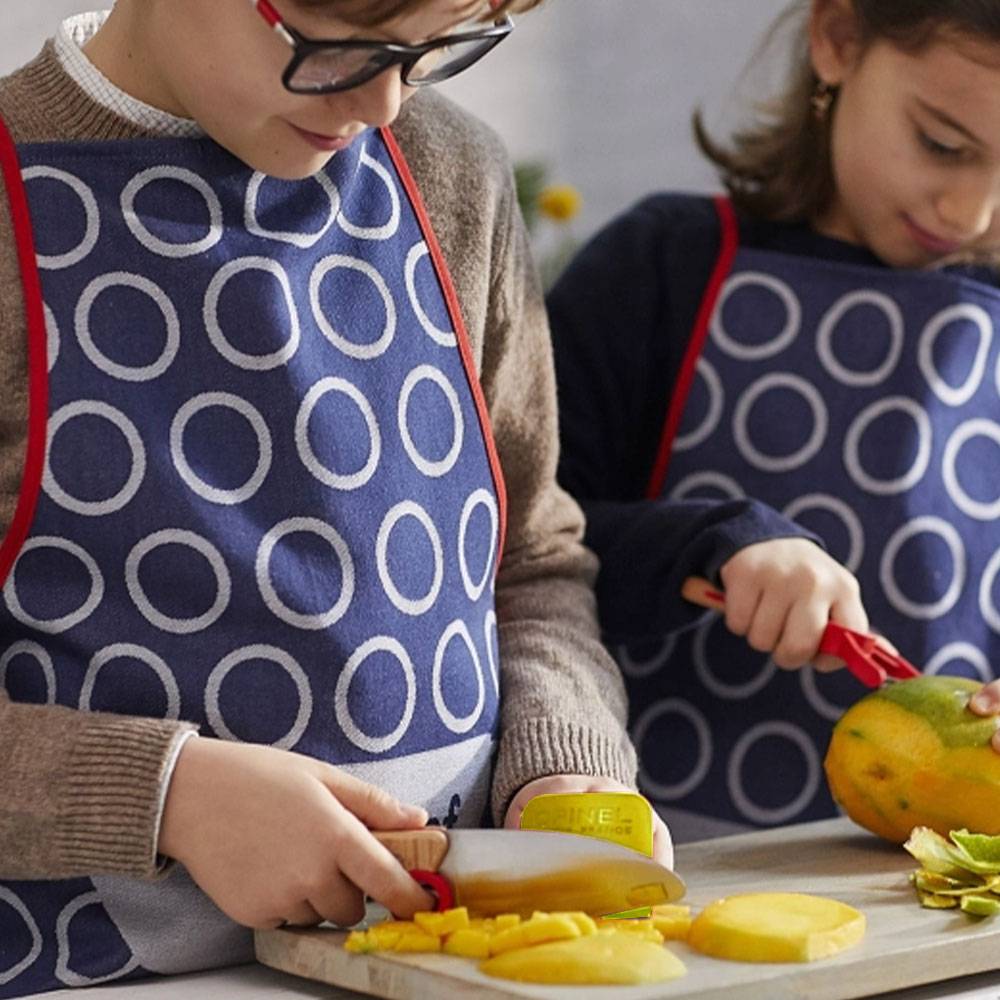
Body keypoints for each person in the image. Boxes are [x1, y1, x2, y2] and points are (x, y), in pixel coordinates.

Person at [0, 1, 661, 994]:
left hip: (451, 966)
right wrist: (167, 793)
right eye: (333, 39)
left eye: (430, 48)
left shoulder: (452, 178)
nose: (380, 99)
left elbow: (531, 560)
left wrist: (562, 757)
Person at [549, 0, 1000, 842]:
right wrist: (717, 543)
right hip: (655, 853)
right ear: (837, 40)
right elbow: (518, 548)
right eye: (943, 144)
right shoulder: (660, 269)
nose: (970, 214)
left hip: (937, 893)